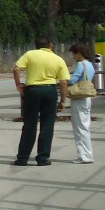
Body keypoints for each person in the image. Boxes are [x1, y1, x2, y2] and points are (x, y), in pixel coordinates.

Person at [12, 37, 70, 166]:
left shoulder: (30, 54)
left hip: (32, 91)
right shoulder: (58, 59)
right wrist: (62, 101)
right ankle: (43, 157)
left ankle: (23, 157)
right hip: (50, 91)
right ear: (50, 45)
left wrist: (19, 85)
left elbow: (16, 68)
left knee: (29, 124)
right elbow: (64, 82)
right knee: (47, 125)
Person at [67, 43, 96, 164]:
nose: (73, 56)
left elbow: (73, 80)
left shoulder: (80, 64)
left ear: (79, 53)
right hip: (86, 97)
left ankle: (84, 156)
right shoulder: (90, 65)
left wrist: (64, 78)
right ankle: (87, 154)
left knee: (79, 127)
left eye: (74, 53)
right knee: (85, 125)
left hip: (78, 98)